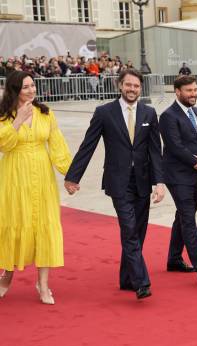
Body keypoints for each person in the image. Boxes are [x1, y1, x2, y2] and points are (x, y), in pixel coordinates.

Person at [64, 69, 164, 300]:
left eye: (136, 86)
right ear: (120, 86)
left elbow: (155, 152)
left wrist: (159, 182)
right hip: (118, 181)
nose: (132, 89)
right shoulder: (104, 113)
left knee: (138, 232)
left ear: (141, 88)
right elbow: (88, 145)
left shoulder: (149, 113)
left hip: (142, 180)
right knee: (129, 230)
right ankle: (141, 282)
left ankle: (126, 279)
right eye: (128, 85)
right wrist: (73, 176)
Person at [0, 71, 72, 304]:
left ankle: (43, 284)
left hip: (42, 175)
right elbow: (4, 145)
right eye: (26, 87)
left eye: (33, 85)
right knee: (15, 220)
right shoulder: (5, 115)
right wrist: (18, 119)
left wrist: (70, 174)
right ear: (15, 91)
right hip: (14, 174)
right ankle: (7, 275)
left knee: (45, 224)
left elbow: (57, 144)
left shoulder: (45, 112)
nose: (32, 90)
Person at [159, 75, 197, 284]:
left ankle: (174, 259)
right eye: (188, 91)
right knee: (188, 219)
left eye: (195, 90)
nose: (193, 94)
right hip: (178, 176)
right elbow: (175, 147)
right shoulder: (168, 116)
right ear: (177, 92)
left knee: (182, 217)